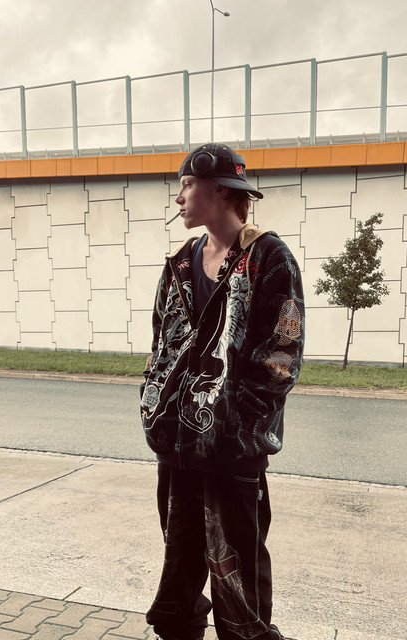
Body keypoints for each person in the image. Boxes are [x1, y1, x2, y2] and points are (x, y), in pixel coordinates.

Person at [140, 143, 305, 640]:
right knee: (179, 566)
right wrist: (154, 404)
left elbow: (282, 354)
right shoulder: (179, 262)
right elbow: (161, 342)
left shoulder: (268, 257)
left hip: (233, 451)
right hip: (177, 444)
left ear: (219, 190)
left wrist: (238, 425)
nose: (179, 197)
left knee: (238, 578)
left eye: (187, 185)